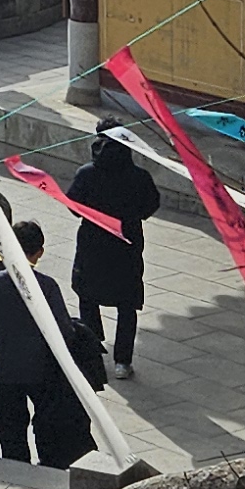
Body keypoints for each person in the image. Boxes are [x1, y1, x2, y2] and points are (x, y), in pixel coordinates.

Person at [0, 217, 99, 468]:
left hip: (5, 370)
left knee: (10, 426)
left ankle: (16, 468)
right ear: (40, 252)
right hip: (41, 370)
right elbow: (64, 331)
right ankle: (46, 466)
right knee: (46, 421)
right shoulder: (47, 286)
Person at [63, 123, 165, 370]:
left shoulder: (86, 174)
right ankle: (122, 361)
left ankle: (93, 350)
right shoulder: (139, 176)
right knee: (127, 303)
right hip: (127, 243)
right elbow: (151, 205)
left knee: (88, 296)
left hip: (92, 242)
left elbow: (73, 206)